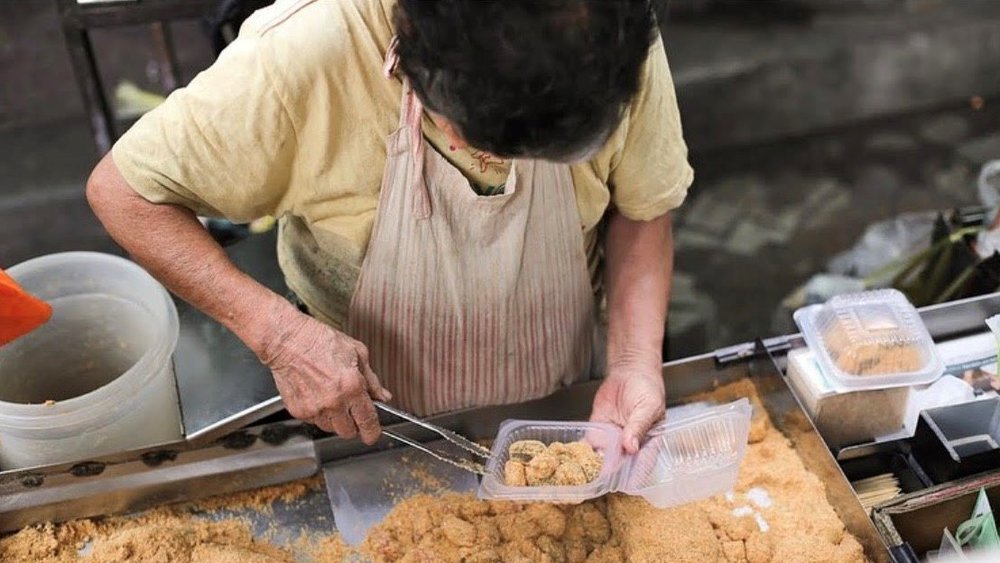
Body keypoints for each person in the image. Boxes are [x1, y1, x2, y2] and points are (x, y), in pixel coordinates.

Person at [86, 0, 694, 454]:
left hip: (563, 388)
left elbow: (643, 207)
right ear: (408, 53)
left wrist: (635, 361)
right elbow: (124, 193)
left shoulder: (605, 33)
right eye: (479, 143)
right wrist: (279, 337)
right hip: (356, 410)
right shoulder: (304, 56)